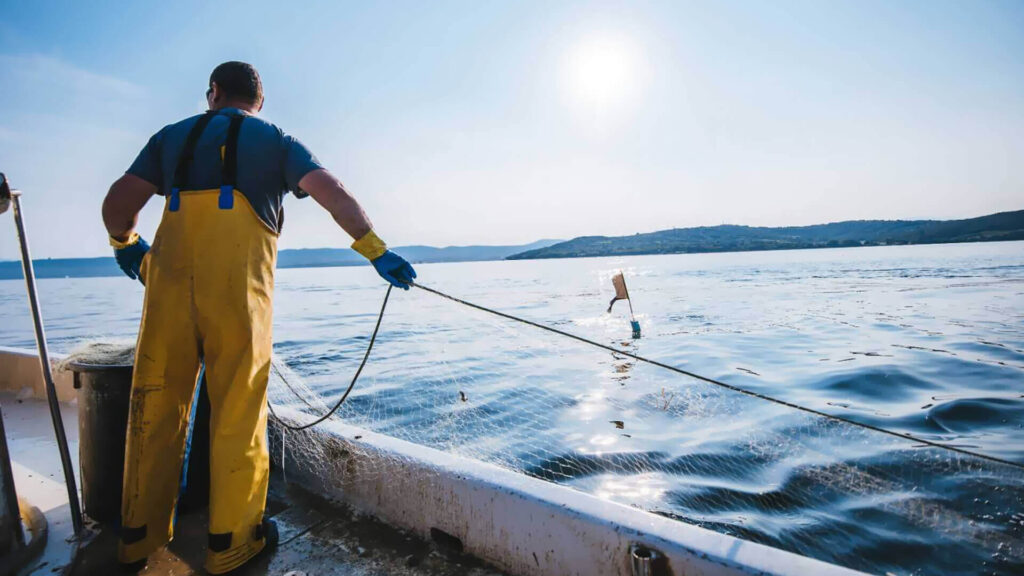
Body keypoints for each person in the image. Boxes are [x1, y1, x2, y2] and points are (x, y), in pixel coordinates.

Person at [101, 61, 416, 574]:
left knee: (154, 405)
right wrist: (376, 251)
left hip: (167, 291)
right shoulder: (274, 139)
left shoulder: (170, 138)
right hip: (237, 297)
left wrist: (127, 246)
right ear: (258, 101)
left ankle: (138, 538)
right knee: (238, 409)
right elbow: (331, 191)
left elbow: (118, 203)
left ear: (214, 94)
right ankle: (231, 542)